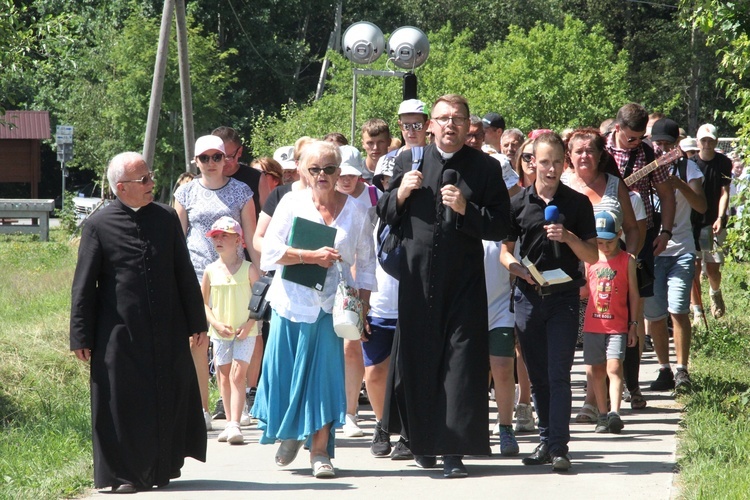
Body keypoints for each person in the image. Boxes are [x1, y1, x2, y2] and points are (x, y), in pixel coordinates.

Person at [377, 94, 511, 478]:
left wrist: (468, 211)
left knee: (461, 364)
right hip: (417, 280)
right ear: (430, 124)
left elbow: (501, 224)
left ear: (469, 126)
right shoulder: (408, 160)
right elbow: (383, 212)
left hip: (463, 283)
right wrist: (400, 194)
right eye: (442, 118)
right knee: (420, 360)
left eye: (458, 118)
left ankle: (454, 448)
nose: (450, 124)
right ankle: (422, 443)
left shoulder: (484, 168)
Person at [70, 152, 207, 493]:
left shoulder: (165, 218)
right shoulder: (98, 226)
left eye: (150, 176)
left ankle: (160, 468)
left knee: (165, 395)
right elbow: (84, 285)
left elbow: (183, 273)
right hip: (118, 332)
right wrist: (80, 335)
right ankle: (121, 475)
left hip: (166, 327)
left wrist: (196, 321)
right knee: (121, 402)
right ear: (121, 187)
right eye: (143, 180)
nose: (151, 184)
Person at [252, 140, 376, 479]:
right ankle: (291, 432)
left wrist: (363, 306)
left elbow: (366, 263)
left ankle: (320, 451)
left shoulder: (356, 211)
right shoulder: (291, 202)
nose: (322, 175)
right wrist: (309, 256)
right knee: (287, 376)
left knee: (323, 379)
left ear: (340, 172)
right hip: (291, 303)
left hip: (330, 307)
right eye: (315, 169)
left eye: (329, 168)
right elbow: (269, 251)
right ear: (304, 171)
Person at [501, 132, 598, 472]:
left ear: (564, 163)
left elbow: (592, 253)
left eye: (557, 161)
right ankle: (545, 440)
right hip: (528, 297)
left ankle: (559, 446)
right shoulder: (517, 203)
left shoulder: (577, 204)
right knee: (538, 376)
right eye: (544, 162)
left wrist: (568, 236)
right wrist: (516, 269)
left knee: (558, 373)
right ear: (532, 163)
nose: (551, 168)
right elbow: (504, 252)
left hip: (564, 300)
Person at [174, 135, 257, 429]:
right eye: (204, 158)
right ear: (195, 161)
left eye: (216, 157)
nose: (211, 163)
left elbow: (252, 235)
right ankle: (202, 409)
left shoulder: (242, 191)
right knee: (198, 341)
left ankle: (240, 402)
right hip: (197, 272)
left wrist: (258, 281)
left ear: (227, 160)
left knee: (240, 335)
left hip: (236, 275)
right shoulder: (185, 193)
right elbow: (176, 236)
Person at [562, 128, 644, 415]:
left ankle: (592, 401)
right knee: (580, 336)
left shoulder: (613, 184)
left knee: (601, 333)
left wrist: (629, 258)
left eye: (590, 150)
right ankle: (587, 397)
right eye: (578, 150)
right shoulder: (559, 183)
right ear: (568, 156)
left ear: (600, 155)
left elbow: (633, 228)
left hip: (609, 273)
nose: (584, 155)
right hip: (570, 272)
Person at [605, 103, 675, 415]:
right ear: (616, 128)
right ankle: (604, 386)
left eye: (639, 138)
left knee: (635, 308)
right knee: (604, 308)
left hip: (640, 237)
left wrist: (667, 232)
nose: (635, 143)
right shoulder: (597, 149)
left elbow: (667, 195)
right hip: (603, 238)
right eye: (630, 138)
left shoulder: (648, 155)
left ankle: (632, 385)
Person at [646, 118, 707, 392]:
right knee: (655, 315)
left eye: (666, 144)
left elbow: (702, 206)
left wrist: (679, 185)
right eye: (656, 143)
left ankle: (682, 370)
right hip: (652, 250)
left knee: (678, 308)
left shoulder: (689, 168)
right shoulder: (645, 168)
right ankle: (664, 369)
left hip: (681, 249)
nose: (660, 149)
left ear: (676, 146)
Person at [201, 216, 260, 445]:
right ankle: (229, 421)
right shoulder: (210, 271)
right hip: (220, 332)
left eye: (225, 235)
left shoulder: (249, 269)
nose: (219, 240)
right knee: (223, 377)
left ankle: (235, 422)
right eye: (215, 236)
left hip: (246, 331)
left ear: (238, 240)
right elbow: (204, 303)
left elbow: (259, 302)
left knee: (238, 374)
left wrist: (249, 325)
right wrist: (215, 323)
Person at [581, 211, 639, 434]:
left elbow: (633, 294)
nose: (605, 247)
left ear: (620, 234)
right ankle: (602, 415)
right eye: (600, 242)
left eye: (610, 242)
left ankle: (615, 412)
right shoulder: (590, 259)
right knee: (596, 371)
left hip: (617, 326)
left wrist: (633, 324)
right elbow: (586, 289)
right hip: (593, 326)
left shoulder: (627, 260)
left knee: (614, 367)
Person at [690, 123, 732, 320]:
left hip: (715, 220)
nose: (707, 144)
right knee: (694, 267)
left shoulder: (723, 162)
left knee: (713, 269)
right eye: (703, 140)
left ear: (716, 141)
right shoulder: (690, 163)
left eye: (710, 140)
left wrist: (720, 217)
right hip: (692, 222)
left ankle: (715, 293)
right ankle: (697, 311)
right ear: (698, 142)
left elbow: (725, 192)